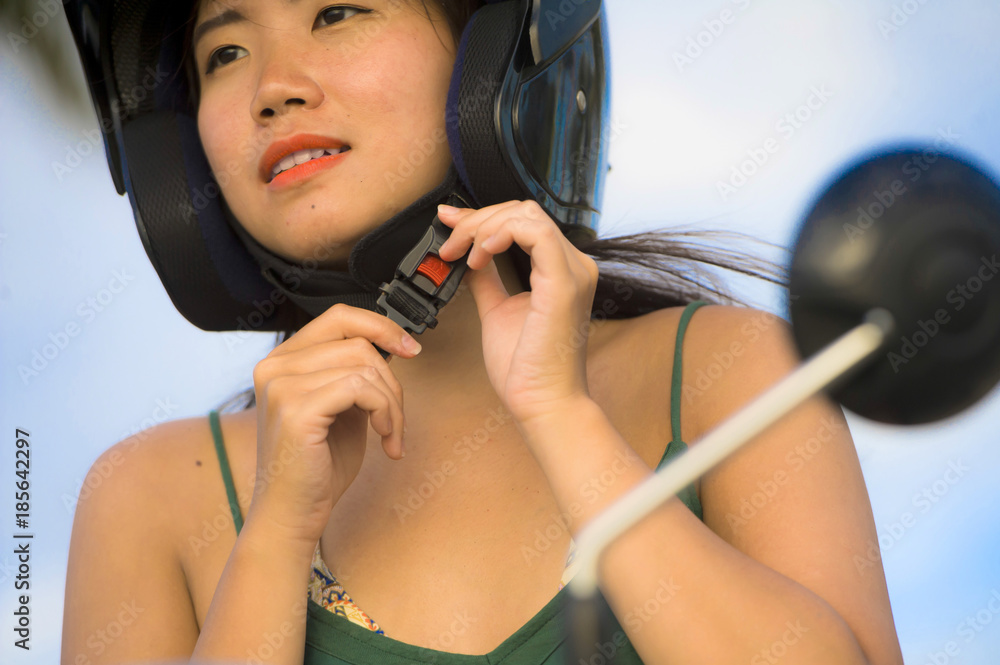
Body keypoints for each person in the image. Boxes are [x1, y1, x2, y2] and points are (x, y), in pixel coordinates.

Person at [60, 1, 905, 664]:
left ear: (489, 52)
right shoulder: (149, 499)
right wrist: (276, 537)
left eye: (338, 13)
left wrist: (564, 419)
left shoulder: (730, 370)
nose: (274, 85)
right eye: (225, 53)